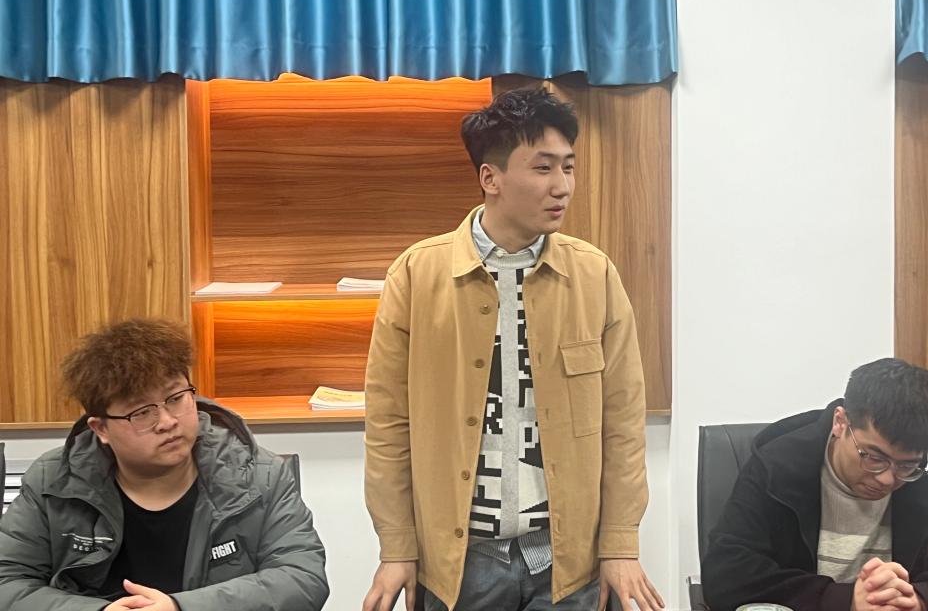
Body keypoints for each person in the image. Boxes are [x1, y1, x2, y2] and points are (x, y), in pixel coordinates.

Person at [361, 88, 663, 611]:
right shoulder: (416, 274)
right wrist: (397, 547)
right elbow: (388, 425)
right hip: (459, 566)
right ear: (490, 178)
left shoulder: (594, 275)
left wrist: (620, 543)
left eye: (568, 167)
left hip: (570, 564)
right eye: (543, 168)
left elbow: (622, 422)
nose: (561, 185)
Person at [0, 318, 330, 611]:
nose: (168, 422)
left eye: (175, 398)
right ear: (101, 429)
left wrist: (179, 607)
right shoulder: (53, 480)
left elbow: (302, 579)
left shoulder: (257, 474)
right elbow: (7, 582)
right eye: (142, 412)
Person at [701, 358, 928, 611]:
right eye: (873, 457)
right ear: (840, 422)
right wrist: (845, 602)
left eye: (905, 464)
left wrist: (921, 599)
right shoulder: (777, 468)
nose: (887, 478)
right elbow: (726, 575)